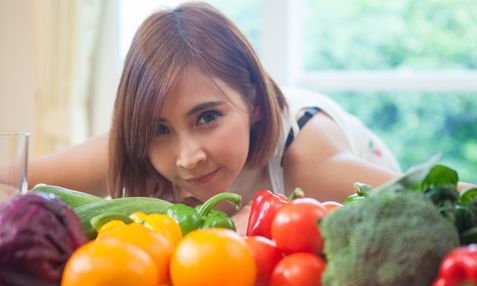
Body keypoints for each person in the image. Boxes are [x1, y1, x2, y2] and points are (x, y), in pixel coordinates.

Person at [28, 2, 403, 233]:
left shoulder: (307, 160)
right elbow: (16, 178)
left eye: (207, 117)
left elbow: (443, 198)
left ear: (254, 101)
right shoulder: (134, 147)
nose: (188, 156)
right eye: (160, 129)